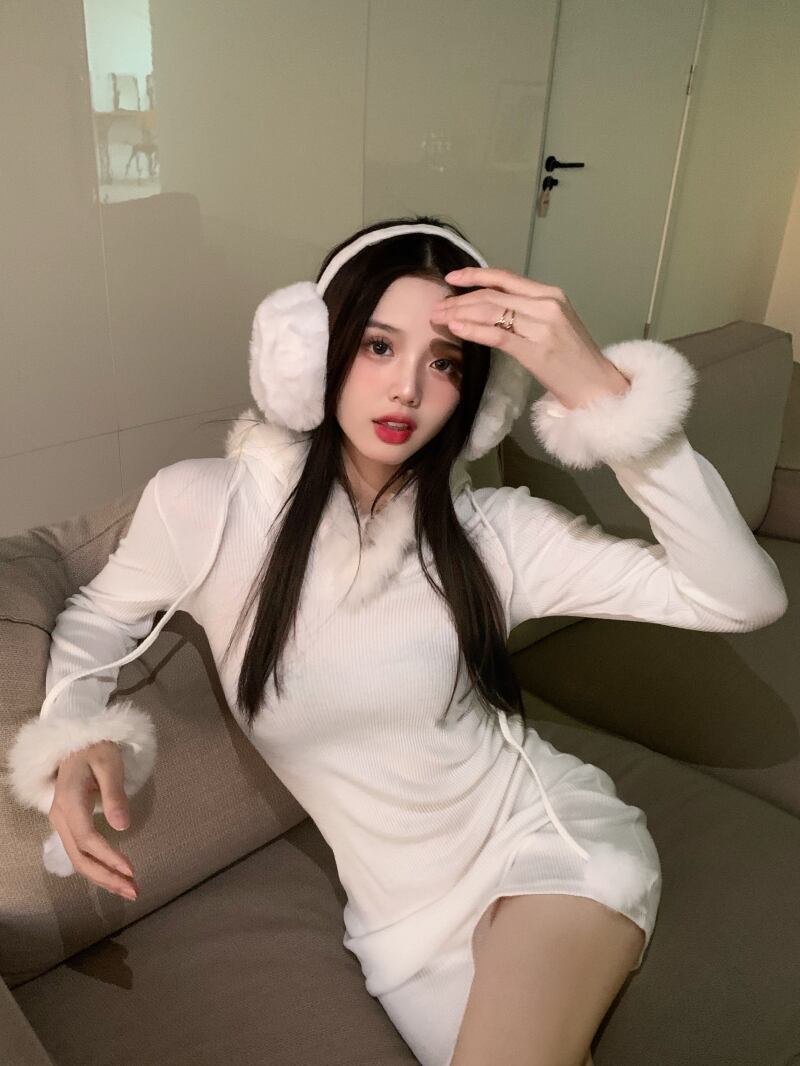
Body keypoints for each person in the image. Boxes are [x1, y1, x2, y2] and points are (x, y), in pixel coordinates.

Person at [7, 215, 788, 1066]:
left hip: (547, 851)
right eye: (379, 346)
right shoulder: (208, 507)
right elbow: (99, 612)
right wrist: (76, 731)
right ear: (314, 353)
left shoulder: (494, 535)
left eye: (444, 363)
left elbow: (739, 597)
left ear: (476, 397)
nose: (408, 389)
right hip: (401, 931)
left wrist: (604, 396)